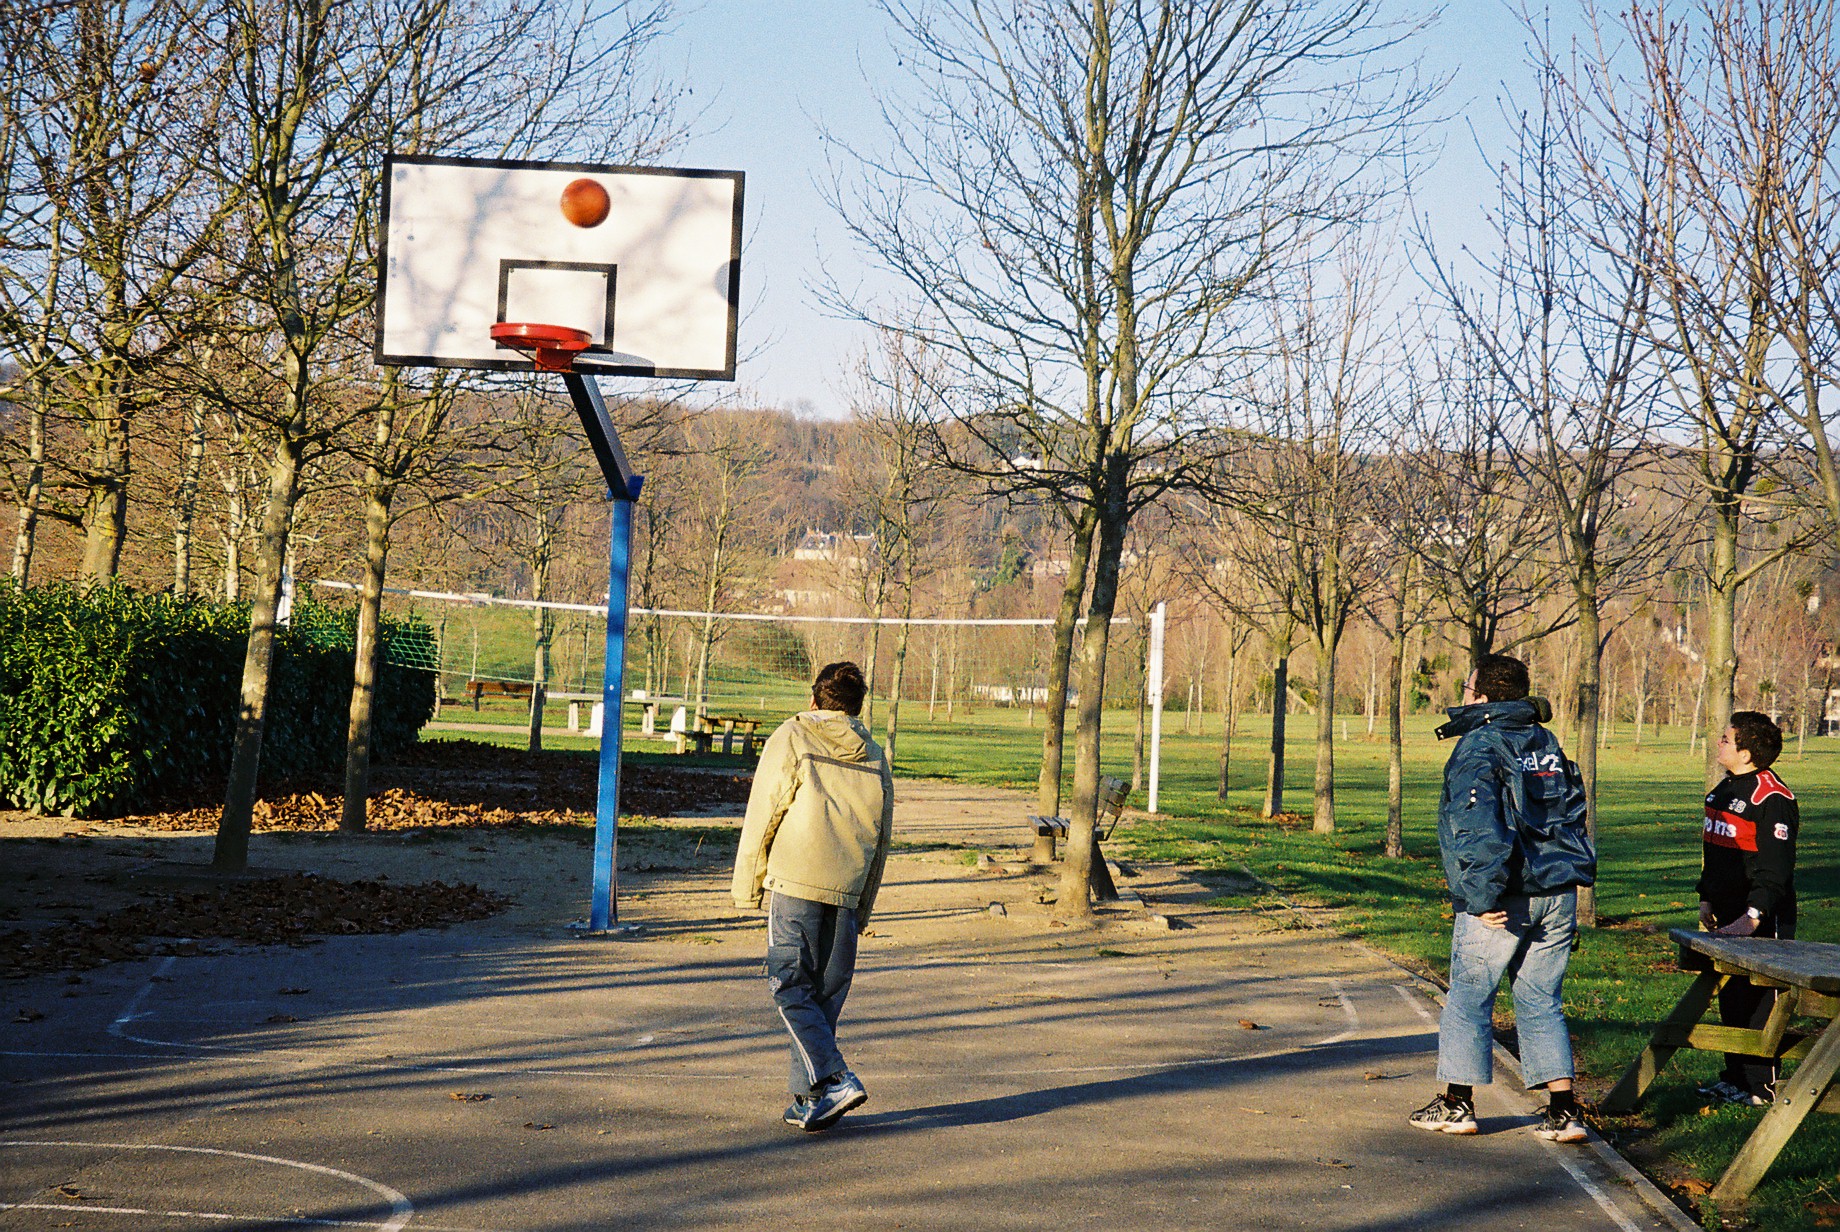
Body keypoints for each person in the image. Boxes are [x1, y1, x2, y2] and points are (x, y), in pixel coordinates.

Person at [1410, 653, 1597, 1144]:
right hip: (1558, 892)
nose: (1463, 696)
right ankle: (1562, 1112)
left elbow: (1477, 827)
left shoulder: (1480, 745)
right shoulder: (1545, 741)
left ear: (1485, 696)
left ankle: (1456, 1104)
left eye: (1469, 689)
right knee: (1541, 999)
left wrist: (1479, 894)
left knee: (1470, 997)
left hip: (1505, 895)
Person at [732, 661, 894, 1132]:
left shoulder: (793, 736)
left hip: (796, 879)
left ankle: (836, 1077)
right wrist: (864, 905)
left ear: (814, 699)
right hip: (845, 887)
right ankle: (811, 1098)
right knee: (821, 994)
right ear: (858, 707)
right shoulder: (875, 755)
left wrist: (747, 884)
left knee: (788, 985)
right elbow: (882, 838)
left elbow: (765, 810)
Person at [1695, 710, 1799, 1106]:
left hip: (1759, 918)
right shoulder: (1724, 789)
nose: (1718, 742)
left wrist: (1753, 916)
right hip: (1725, 914)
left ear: (1747, 750)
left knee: (1760, 1004)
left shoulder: (1772, 798)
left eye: (1726, 738)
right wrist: (1706, 895)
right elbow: (1714, 853)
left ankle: (1762, 1088)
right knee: (1732, 996)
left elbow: (1776, 868)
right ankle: (1735, 1079)